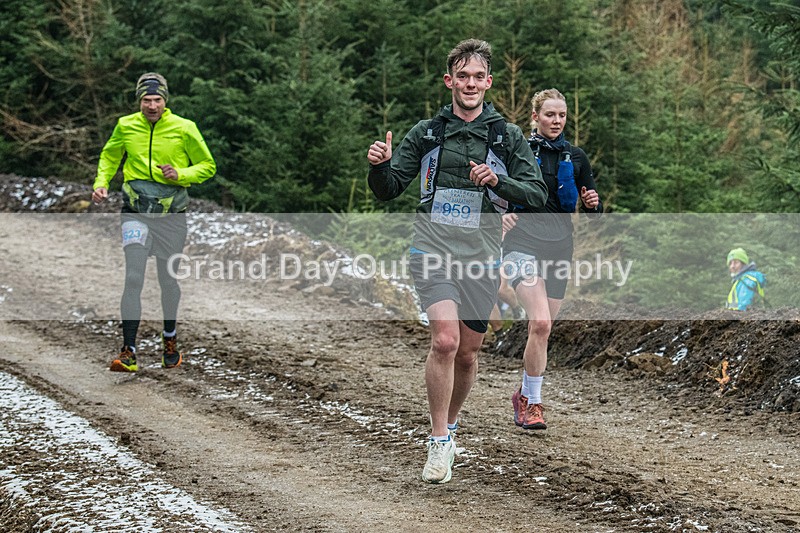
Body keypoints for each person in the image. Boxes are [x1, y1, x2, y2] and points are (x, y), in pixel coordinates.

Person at [366, 39, 547, 483]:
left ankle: (452, 421)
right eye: (461, 76)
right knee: (444, 341)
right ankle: (439, 439)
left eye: (477, 77)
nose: (469, 84)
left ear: (488, 82)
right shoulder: (426, 133)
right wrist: (379, 165)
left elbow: (538, 193)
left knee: (467, 353)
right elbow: (389, 188)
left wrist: (499, 181)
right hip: (431, 250)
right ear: (449, 81)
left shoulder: (506, 136)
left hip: (482, 257)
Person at [92, 72, 216, 372]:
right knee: (133, 276)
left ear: (165, 100)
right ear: (139, 101)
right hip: (135, 213)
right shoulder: (125, 125)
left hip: (171, 216)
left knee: (167, 279)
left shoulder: (184, 128)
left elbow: (208, 166)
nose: (151, 105)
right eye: (146, 100)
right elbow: (110, 156)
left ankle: (169, 339)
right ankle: (129, 351)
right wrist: (101, 182)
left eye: (156, 99)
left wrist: (181, 174)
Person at [501, 88, 602, 431]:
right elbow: (491, 186)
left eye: (561, 115)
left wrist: (593, 205)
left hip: (560, 246)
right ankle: (534, 404)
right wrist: (498, 215)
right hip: (521, 243)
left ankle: (523, 394)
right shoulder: (519, 150)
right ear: (535, 117)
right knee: (540, 323)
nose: (556, 121)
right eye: (549, 115)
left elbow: (594, 213)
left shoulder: (576, 157)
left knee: (542, 330)